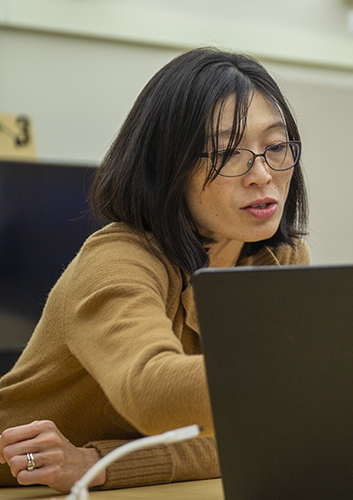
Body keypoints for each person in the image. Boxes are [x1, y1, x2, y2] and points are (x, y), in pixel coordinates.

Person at [0, 47, 309, 491]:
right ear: (168, 168)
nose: (262, 174)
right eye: (226, 154)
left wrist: (100, 462)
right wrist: (319, 375)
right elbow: (151, 390)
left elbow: (258, 438)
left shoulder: (278, 258)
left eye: (276, 147)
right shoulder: (117, 259)